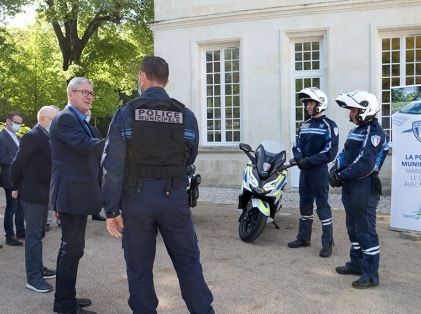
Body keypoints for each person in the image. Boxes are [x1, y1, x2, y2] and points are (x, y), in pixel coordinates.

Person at [102, 56, 214, 314]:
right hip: (174, 197)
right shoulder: (185, 115)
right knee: (188, 262)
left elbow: (112, 166)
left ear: (142, 76)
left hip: (136, 200)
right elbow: (191, 155)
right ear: (167, 80)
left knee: (139, 268)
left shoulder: (126, 113)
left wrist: (111, 211)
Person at [49, 77, 105, 314]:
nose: (89, 96)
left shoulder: (79, 119)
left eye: (91, 93)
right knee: (71, 249)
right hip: (70, 194)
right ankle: (64, 305)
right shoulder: (65, 119)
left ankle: (67, 297)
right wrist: (118, 144)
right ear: (70, 94)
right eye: (84, 92)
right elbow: (85, 145)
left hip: (78, 193)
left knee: (74, 249)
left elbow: (91, 144)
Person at [329, 90, 389, 289]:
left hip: (365, 187)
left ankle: (371, 275)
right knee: (353, 228)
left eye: (353, 110)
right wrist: (334, 170)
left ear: (365, 110)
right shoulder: (356, 131)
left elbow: (365, 163)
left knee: (365, 231)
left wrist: (340, 176)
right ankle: (356, 264)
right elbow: (345, 154)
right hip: (351, 186)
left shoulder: (375, 133)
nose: (350, 114)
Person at [11, 106, 59, 293]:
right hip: (32, 194)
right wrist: (15, 186)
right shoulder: (33, 136)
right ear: (44, 118)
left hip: (43, 193)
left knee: (39, 235)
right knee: (33, 238)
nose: (57, 122)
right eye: (55, 119)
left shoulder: (47, 136)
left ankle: (39, 268)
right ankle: (33, 278)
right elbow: (17, 163)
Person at [288, 87, 339, 258]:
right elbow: (297, 146)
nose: (307, 106)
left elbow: (330, 152)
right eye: (307, 103)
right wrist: (298, 157)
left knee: (322, 206)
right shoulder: (304, 124)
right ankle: (303, 238)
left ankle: (327, 243)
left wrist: (308, 161)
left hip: (319, 172)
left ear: (320, 104)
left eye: (310, 103)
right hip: (305, 172)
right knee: (304, 205)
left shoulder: (329, 125)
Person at [0, 112, 26, 246]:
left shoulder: (18, 137)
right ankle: (9, 235)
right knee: (12, 207)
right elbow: (3, 159)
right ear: (8, 122)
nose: (18, 125)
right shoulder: (1, 137)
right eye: (16, 123)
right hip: (10, 177)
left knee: (20, 206)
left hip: (20, 177)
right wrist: (18, 161)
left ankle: (21, 230)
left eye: (20, 123)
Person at [85, 109, 106, 222]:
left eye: (88, 114)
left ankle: (95, 212)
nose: (87, 116)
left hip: (95, 164)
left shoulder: (94, 130)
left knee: (96, 189)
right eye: (85, 114)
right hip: (83, 164)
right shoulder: (77, 129)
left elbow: (100, 146)